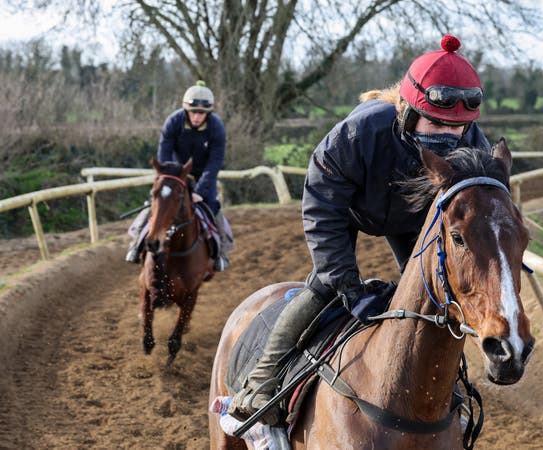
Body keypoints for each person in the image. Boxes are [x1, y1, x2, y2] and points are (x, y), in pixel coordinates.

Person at [228, 34, 491, 425]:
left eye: (458, 127)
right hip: (348, 207)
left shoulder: (473, 144)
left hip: (414, 218)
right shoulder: (359, 133)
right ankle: (263, 382)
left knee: (436, 294)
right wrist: (348, 287)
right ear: (406, 111)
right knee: (323, 287)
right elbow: (321, 205)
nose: (448, 137)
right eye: (435, 121)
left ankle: (448, 390)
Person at [125, 80, 231, 272]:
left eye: (202, 113)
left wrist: (199, 191)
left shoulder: (217, 128)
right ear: (185, 110)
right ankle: (136, 245)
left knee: (213, 207)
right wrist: (169, 178)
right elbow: (163, 155)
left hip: (202, 177)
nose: (197, 117)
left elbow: (215, 163)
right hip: (175, 173)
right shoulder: (173, 122)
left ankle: (222, 253)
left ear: (208, 113)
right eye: (193, 112)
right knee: (156, 204)